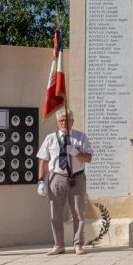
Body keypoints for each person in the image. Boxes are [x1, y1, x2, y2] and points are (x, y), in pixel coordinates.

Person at [37, 109, 94, 255]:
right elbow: (43, 160)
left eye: (67, 120)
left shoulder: (80, 137)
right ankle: (59, 244)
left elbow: (88, 158)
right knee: (55, 214)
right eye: (61, 121)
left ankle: (78, 244)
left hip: (77, 177)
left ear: (72, 122)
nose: (64, 123)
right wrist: (41, 181)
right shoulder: (50, 138)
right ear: (57, 123)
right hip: (57, 177)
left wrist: (77, 153)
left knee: (78, 213)